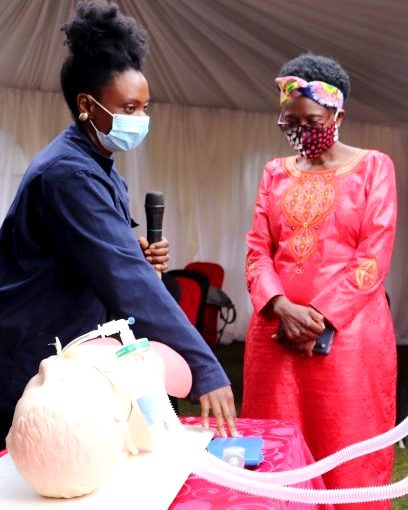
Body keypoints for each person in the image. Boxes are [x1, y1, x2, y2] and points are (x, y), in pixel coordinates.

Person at [0, 0, 237, 449]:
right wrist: (204, 365)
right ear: (87, 105)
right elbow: (125, 280)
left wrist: (136, 256)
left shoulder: (99, 164)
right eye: (129, 107)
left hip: (67, 355)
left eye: (145, 108)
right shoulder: (69, 174)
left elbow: (102, 261)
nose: (140, 120)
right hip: (27, 358)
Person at [243, 53, 397, 508]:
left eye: (307, 119)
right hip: (274, 337)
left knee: (344, 449)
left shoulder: (373, 167)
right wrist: (282, 308)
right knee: (277, 455)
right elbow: (257, 250)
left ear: (337, 115)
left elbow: (374, 254)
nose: (296, 130)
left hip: (345, 345)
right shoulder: (275, 172)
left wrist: (318, 319)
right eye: (287, 121)